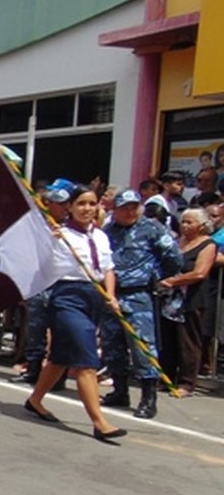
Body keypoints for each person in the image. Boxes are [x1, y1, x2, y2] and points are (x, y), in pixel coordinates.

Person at [24, 185, 126, 443]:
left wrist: (111, 295)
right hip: (66, 298)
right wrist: (50, 242)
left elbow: (108, 268)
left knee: (59, 357)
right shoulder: (58, 235)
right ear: (69, 207)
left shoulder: (101, 236)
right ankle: (99, 422)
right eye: (81, 204)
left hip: (94, 297)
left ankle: (35, 400)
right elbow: (41, 268)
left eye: (92, 204)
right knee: (86, 359)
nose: (87, 209)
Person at [99, 190, 181, 418]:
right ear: (114, 210)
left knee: (143, 347)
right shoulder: (107, 232)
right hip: (111, 294)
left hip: (139, 295)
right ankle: (120, 390)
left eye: (134, 206)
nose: (130, 211)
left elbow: (174, 258)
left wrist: (156, 277)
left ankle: (148, 398)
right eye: (124, 207)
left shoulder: (152, 229)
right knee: (112, 345)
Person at [11, 184, 72, 385]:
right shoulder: (36, 227)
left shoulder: (71, 228)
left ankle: (58, 376)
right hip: (39, 284)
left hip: (62, 285)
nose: (64, 208)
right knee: (35, 330)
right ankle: (33, 369)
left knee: (60, 332)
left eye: (66, 203)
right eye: (59, 204)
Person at [157, 208, 217, 395]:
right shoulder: (177, 242)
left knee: (188, 342)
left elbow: (200, 273)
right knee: (168, 340)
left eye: (190, 222)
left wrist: (174, 281)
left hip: (190, 299)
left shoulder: (208, 245)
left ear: (201, 226)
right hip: (170, 300)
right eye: (183, 221)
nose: (185, 225)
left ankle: (186, 383)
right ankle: (166, 378)